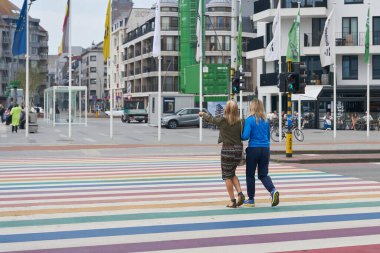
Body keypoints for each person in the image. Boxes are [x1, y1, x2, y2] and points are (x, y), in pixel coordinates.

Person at [199, 101, 246, 208]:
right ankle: (240, 194)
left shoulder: (223, 120)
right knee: (232, 173)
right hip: (238, 150)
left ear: (227, 109)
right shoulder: (241, 121)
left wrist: (202, 114)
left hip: (227, 150)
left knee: (227, 176)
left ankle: (232, 201)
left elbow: (211, 119)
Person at [241, 99, 280, 207]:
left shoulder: (249, 120)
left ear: (251, 107)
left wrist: (239, 135)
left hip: (253, 149)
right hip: (265, 149)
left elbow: (245, 136)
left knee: (250, 175)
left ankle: (251, 199)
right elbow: (268, 137)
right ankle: (273, 190)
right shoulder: (266, 120)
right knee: (263, 174)